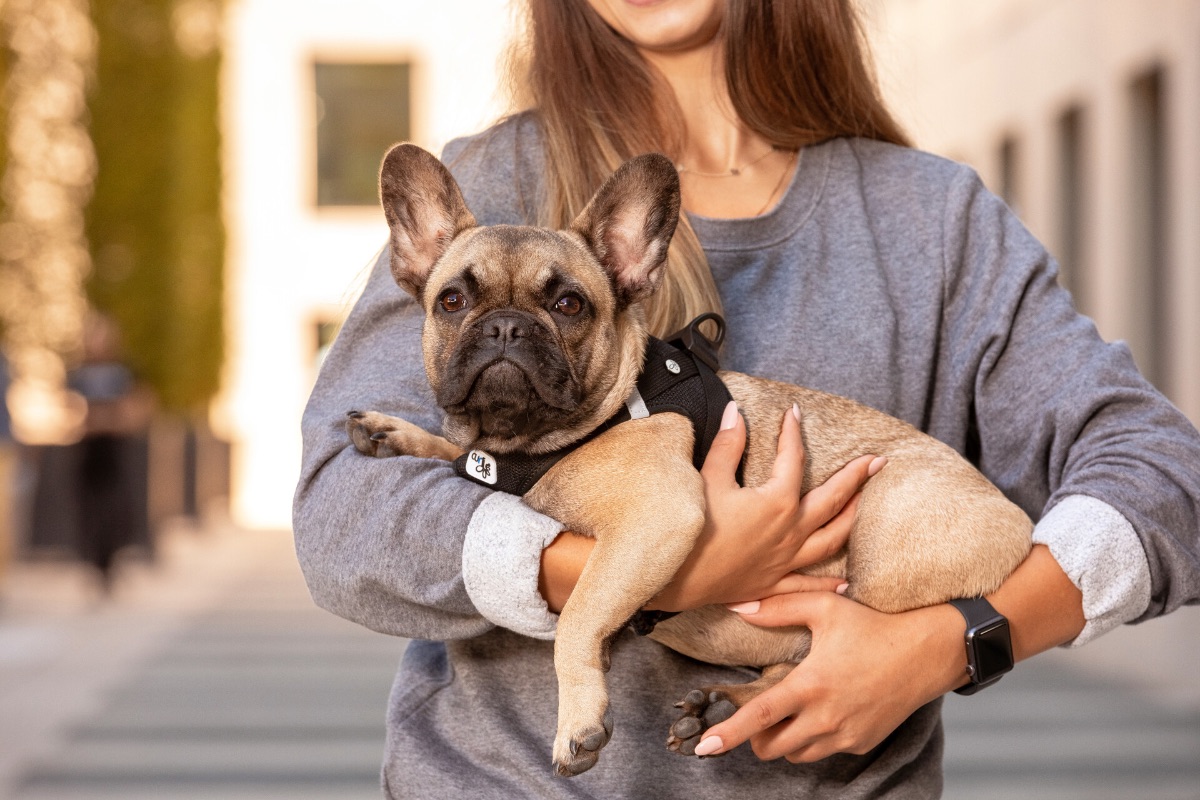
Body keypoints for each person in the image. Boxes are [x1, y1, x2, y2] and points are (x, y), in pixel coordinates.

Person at [293, 0, 1200, 797]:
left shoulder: (927, 220)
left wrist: (952, 641)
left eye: (561, 304)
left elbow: (1165, 477)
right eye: (469, 304)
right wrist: (642, 573)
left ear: (626, 264)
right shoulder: (488, 183)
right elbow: (340, 506)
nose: (504, 324)